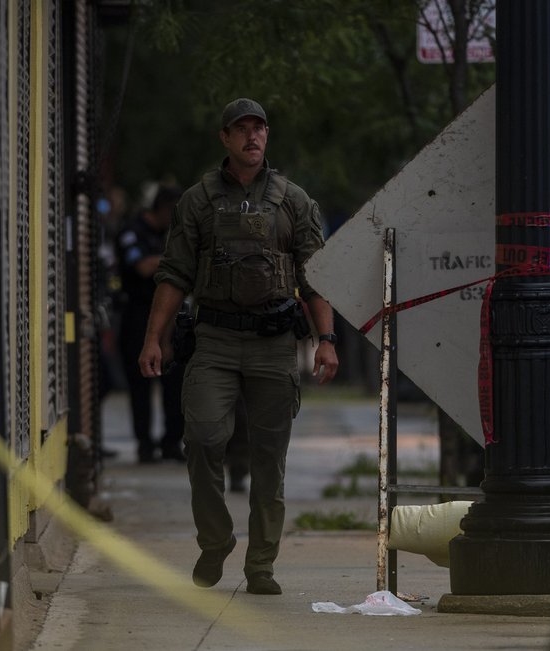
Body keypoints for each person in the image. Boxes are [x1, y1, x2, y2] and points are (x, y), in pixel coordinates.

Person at [138, 98, 339, 596]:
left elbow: (316, 279)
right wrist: (153, 338)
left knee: (270, 456)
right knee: (203, 438)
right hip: (215, 339)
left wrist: (327, 340)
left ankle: (261, 565)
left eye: (260, 128)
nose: (253, 136)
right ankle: (216, 539)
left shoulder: (293, 201)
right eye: (242, 129)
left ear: (267, 136)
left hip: (274, 342)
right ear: (225, 138)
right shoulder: (198, 201)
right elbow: (174, 274)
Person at [116, 184, 186, 463]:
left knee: (175, 385)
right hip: (138, 313)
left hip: (170, 318)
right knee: (141, 385)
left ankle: (171, 442)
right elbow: (142, 266)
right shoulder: (132, 231)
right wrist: (177, 260)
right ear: (163, 209)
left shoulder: (170, 235)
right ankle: (144, 445)